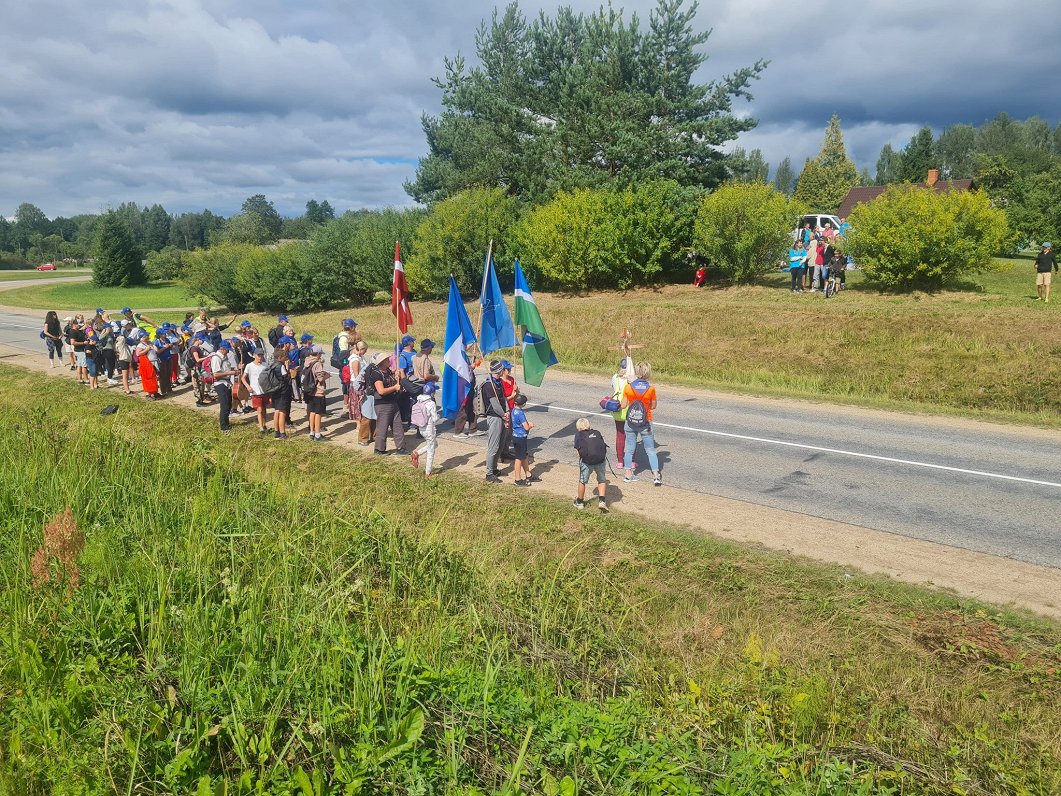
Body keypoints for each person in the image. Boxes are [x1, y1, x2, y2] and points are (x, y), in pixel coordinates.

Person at [621, 361, 661, 486]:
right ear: (647, 373)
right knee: (650, 450)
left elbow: (623, 405)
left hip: (631, 422)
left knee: (629, 449)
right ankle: (656, 476)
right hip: (646, 422)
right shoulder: (651, 389)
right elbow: (653, 406)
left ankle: (628, 475)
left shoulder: (628, 387)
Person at [368, 352, 405, 454]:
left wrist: (396, 376)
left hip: (393, 401)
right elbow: (381, 391)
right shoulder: (376, 374)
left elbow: (391, 382)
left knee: (398, 426)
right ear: (382, 362)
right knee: (382, 427)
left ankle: (401, 448)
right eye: (387, 360)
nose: (389, 361)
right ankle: (379, 449)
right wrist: (394, 387)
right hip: (382, 404)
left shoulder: (387, 371)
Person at [572, 417, 609, 513]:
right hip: (600, 460)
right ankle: (602, 501)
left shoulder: (579, 435)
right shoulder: (597, 432)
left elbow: (578, 452)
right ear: (589, 425)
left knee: (583, 481)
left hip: (587, 461)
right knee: (601, 479)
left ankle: (579, 502)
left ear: (578, 427)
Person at [481, 360, 509, 483]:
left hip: (502, 416)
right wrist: (504, 415)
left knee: (501, 444)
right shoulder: (489, 385)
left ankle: (494, 468)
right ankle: (489, 473)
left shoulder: (498, 382)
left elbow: (503, 399)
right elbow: (495, 404)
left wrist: (507, 412)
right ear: (499, 371)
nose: (504, 371)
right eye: (502, 369)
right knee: (494, 445)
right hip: (495, 417)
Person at [410, 382, 441, 476]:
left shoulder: (419, 401)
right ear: (432, 392)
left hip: (421, 428)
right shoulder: (431, 403)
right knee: (431, 451)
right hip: (429, 429)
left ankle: (417, 453)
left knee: (434, 444)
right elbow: (435, 419)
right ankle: (428, 473)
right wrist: (439, 415)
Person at [451, 346, 482, 438]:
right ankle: (458, 431)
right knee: (463, 409)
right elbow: (461, 371)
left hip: (470, 383)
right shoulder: (457, 357)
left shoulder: (463, 354)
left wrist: (474, 342)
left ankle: (473, 429)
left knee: (472, 407)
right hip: (463, 385)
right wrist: (470, 367)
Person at [209, 340, 239, 431]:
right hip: (221, 384)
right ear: (222, 349)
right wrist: (231, 372)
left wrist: (236, 369)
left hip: (227, 383)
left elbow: (227, 368)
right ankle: (224, 427)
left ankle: (227, 423)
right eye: (227, 349)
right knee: (225, 406)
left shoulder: (224, 357)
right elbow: (216, 374)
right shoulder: (216, 358)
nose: (228, 351)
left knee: (228, 405)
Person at [610, 354, 634, 468]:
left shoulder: (615, 377)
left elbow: (613, 387)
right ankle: (631, 461)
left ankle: (620, 461)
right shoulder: (631, 379)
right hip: (628, 406)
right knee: (631, 435)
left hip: (616, 406)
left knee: (620, 433)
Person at [270, 337, 296, 439]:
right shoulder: (280, 366)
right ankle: (282, 432)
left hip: (275, 390)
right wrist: (288, 367)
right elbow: (286, 377)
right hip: (282, 391)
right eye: (285, 357)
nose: (286, 358)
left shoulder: (272, 365)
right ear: (280, 357)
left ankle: (276, 431)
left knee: (276, 411)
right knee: (282, 412)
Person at [302, 344, 329, 441]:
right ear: (317, 354)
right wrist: (327, 375)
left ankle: (312, 432)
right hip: (317, 391)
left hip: (309, 391)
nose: (320, 356)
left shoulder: (307, 361)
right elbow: (320, 378)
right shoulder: (317, 364)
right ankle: (317, 434)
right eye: (320, 354)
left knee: (312, 412)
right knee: (318, 413)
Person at [241, 347, 271, 434]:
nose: (260, 357)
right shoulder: (249, 366)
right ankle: (261, 428)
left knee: (264, 409)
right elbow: (243, 377)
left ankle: (264, 425)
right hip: (255, 391)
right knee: (259, 409)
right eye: (259, 355)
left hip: (265, 390)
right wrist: (247, 386)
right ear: (254, 355)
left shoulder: (266, 365)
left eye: (261, 355)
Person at [510, 393, 534, 486]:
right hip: (520, 437)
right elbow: (526, 427)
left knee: (524, 456)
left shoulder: (514, 410)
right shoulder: (520, 413)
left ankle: (528, 474)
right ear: (523, 404)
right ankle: (517, 479)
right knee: (519, 458)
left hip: (516, 435)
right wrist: (530, 425)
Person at [397, 335, 417, 428]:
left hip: (416, 380)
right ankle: (409, 421)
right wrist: (405, 384)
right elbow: (401, 371)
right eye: (412, 341)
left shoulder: (415, 352)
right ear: (409, 343)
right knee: (409, 402)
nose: (414, 342)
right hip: (409, 382)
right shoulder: (403, 356)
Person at [134, 330, 160, 400]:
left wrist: (152, 344)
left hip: (153, 362)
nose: (148, 336)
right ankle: (148, 394)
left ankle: (154, 392)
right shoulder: (140, 345)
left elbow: (156, 350)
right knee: (148, 378)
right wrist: (146, 349)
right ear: (143, 337)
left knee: (154, 378)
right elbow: (138, 354)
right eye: (146, 336)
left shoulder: (149, 343)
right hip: (147, 363)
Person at [114, 322, 134, 394]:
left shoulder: (118, 341)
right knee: (125, 376)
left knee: (125, 376)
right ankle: (127, 390)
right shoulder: (121, 339)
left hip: (123, 358)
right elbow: (124, 338)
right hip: (123, 359)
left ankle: (126, 389)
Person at [68, 318, 88, 384]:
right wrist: (83, 343)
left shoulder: (77, 330)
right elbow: (72, 342)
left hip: (79, 350)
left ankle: (79, 379)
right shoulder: (73, 332)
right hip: (80, 351)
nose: (80, 326)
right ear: (74, 324)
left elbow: (82, 328)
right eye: (78, 325)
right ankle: (86, 379)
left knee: (79, 365)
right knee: (84, 365)